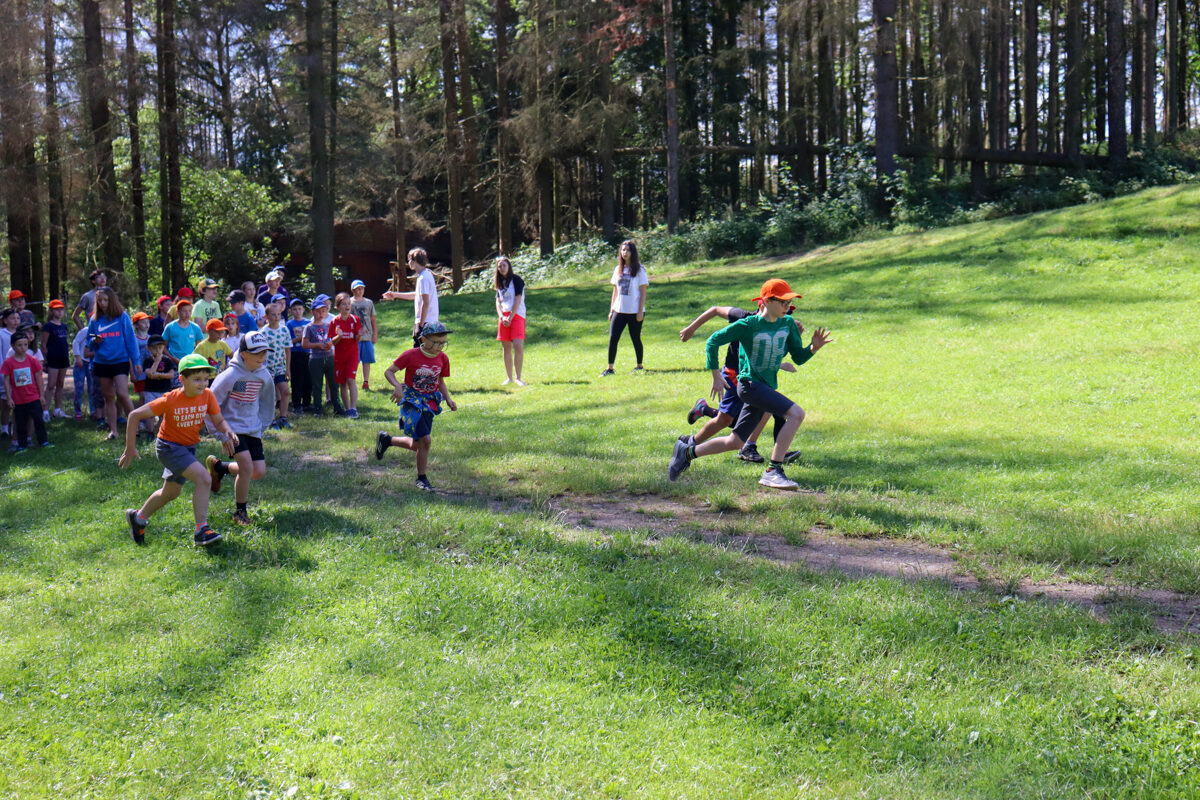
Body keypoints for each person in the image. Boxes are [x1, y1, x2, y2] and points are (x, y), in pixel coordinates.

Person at [667, 279, 832, 491]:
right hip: (749, 386)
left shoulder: (788, 324)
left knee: (735, 442)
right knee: (796, 414)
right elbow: (713, 341)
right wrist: (716, 375)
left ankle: (687, 452)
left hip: (765, 386)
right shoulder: (748, 324)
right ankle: (773, 471)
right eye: (783, 302)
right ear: (766, 301)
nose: (787, 307)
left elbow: (798, 357)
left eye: (789, 303)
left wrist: (813, 348)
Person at [120, 353, 235, 547]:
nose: (203, 384)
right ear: (182, 379)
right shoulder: (170, 400)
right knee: (204, 478)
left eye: (205, 379)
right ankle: (201, 530)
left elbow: (218, 420)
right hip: (169, 448)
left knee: (170, 492)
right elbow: (134, 415)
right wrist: (130, 447)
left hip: (188, 448)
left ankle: (138, 518)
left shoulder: (207, 396)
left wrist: (227, 432)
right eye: (197, 379)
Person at [678, 304, 801, 465]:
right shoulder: (743, 318)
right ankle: (747, 446)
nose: (785, 315)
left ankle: (692, 441)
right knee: (736, 418)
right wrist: (691, 329)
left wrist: (790, 341)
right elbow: (715, 310)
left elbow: (768, 353)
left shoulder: (777, 326)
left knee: (731, 419)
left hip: (755, 377)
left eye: (788, 312)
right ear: (765, 305)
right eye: (784, 310)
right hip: (735, 374)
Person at [375, 321, 457, 492]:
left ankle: (387, 440)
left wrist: (448, 399)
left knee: (419, 444)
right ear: (423, 339)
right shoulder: (411, 355)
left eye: (443, 343)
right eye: (436, 342)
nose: (440, 346)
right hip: (413, 402)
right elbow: (389, 371)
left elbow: (440, 381)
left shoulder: (443, 358)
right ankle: (421, 479)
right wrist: (397, 386)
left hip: (430, 403)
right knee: (426, 441)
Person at [205, 331, 276, 526]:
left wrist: (262, 426)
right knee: (246, 466)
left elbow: (267, 402)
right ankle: (240, 512)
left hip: (252, 429)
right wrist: (220, 434)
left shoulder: (264, 376)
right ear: (243, 354)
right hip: (231, 429)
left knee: (258, 471)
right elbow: (210, 404)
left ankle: (220, 468)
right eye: (257, 353)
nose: (262, 357)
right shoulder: (230, 376)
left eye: (264, 353)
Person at [87, 287, 140, 440]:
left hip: (120, 360)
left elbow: (131, 339)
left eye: (106, 300)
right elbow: (89, 341)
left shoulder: (122, 317)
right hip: (102, 362)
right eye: (100, 301)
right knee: (109, 396)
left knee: (122, 393)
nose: (103, 303)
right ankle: (113, 431)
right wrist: (94, 341)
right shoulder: (95, 319)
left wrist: (136, 360)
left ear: (112, 300)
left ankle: (135, 426)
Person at [602, 239, 648, 376]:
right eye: (623, 250)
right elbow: (615, 290)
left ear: (633, 252)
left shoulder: (640, 270)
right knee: (613, 338)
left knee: (635, 338)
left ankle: (639, 366)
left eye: (627, 250)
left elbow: (643, 291)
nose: (625, 253)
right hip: (619, 310)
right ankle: (610, 368)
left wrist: (640, 311)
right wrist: (612, 310)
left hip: (634, 311)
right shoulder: (618, 269)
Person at [2, 331, 50, 453]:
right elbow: (6, 380)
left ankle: (43, 441)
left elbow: (39, 378)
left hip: (33, 397)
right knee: (20, 422)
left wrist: (41, 395)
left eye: (25, 344)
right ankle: (21, 445)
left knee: (38, 420)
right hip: (18, 400)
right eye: (19, 345)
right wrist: (9, 398)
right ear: (13, 346)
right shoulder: (8, 363)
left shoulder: (32, 360)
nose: (23, 348)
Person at [382, 247, 439, 347]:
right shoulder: (425, 275)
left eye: (409, 259)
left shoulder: (423, 278)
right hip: (428, 322)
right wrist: (395, 295)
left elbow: (425, 303)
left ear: (415, 260)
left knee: (420, 353)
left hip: (426, 323)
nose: (408, 262)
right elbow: (417, 295)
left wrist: (420, 325)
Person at [301, 294, 342, 416]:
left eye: (323, 311)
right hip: (316, 359)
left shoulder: (328, 325)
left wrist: (335, 340)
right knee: (317, 385)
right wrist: (318, 345)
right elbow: (305, 344)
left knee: (334, 384)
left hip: (329, 357)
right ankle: (318, 408)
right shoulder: (309, 327)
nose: (321, 313)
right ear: (312, 312)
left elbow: (333, 340)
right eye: (318, 311)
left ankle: (337, 406)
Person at [493, 256, 527, 386]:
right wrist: (502, 316)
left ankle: (518, 378)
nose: (502, 268)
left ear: (509, 266)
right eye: (499, 266)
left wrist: (511, 317)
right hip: (504, 317)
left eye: (504, 265)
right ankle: (509, 378)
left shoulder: (517, 280)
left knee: (518, 345)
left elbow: (518, 300)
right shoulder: (499, 283)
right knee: (506, 347)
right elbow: (498, 302)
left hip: (517, 314)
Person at [260, 296, 292, 428]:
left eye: (278, 314)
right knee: (270, 395)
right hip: (266, 368)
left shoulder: (284, 330)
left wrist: (287, 369)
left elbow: (288, 350)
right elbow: (259, 352)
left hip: (279, 367)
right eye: (273, 315)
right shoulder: (263, 332)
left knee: (285, 391)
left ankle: (283, 418)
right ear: (267, 316)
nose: (276, 317)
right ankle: (271, 420)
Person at [330, 292, 362, 419]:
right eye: (344, 304)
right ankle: (347, 409)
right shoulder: (334, 321)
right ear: (338, 307)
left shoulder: (355, 319)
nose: (347, 306)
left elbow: (357, 338)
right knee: (342, 383)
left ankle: (354, 408)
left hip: (352, 355)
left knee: (350, 380)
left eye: (349, 304)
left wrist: (359, 334)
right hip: (339, 357)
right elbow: (332, 342)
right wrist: (339, 336)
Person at [40, 299, 71, 420]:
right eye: (57, 309)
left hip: (63, 358)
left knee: (60, 384)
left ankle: (57, 410)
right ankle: (45, 411)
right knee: (51, 385)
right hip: (53, 359)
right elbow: (43, 345)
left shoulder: (64, 326)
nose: (60, 312)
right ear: (51, 311)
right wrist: (45, 361)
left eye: (61, 309)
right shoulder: (48, 326)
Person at [349, 279, 377, 390]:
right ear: (353, 290)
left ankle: (366, 381)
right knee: (354, 360)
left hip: (367, 336)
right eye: (357, 289)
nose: (359, 291)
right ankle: (352, 380)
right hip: (354, 337)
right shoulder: (349, 302)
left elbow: (373, 318)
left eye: (361, 288)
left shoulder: (369, 302)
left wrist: (375, 334)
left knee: (367, 360)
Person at [285, 298, 312, 414]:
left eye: (299, 309)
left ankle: (307, 403)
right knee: (297, 379)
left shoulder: (308, 323)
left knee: (308, 379)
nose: (297, 311)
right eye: (295, 309)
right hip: (295, 354)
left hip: (308, 353)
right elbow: (288, 342)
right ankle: (296, 404)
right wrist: (300, 338)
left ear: (303, 310)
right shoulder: (289, 324)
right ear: (291, 311)